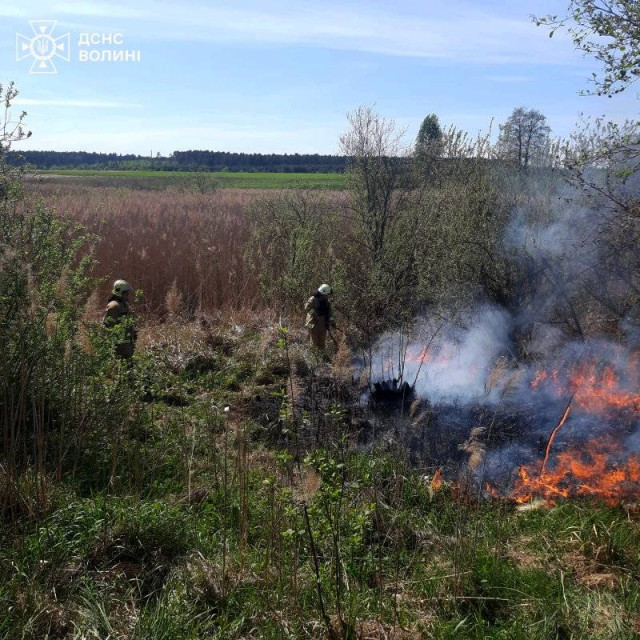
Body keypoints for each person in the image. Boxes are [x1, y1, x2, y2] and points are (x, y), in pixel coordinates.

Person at [103, 279, 137, 358]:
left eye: (128, 293)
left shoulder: (125, 305)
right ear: (119, 292)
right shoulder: (114, 306)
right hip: (118, 349)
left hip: (127, 348)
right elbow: (107, 327)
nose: (128, 295)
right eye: (126, 293)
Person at [304, 283, 335, 350]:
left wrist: (332, 321)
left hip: (322, 323)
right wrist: (315, 314)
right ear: (323, 293)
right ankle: (314, 355)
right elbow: (307, 308)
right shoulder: (313, 299)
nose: (327, 296)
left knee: (322, 341)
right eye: (327, 294)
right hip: (312, 322)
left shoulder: (326, 301)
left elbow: (329, 311)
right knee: (314, 342)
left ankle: (321, 354)